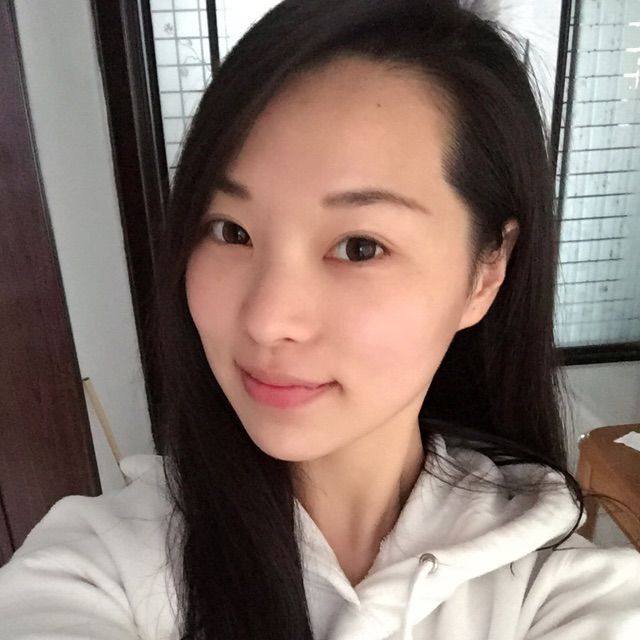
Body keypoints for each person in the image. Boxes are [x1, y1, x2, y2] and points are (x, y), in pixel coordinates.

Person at [1, 0, 639, 638]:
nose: (267, 320)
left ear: (486, 270)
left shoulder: (566, 596)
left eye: (359, 246)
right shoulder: (95, 568)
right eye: (230, 230)